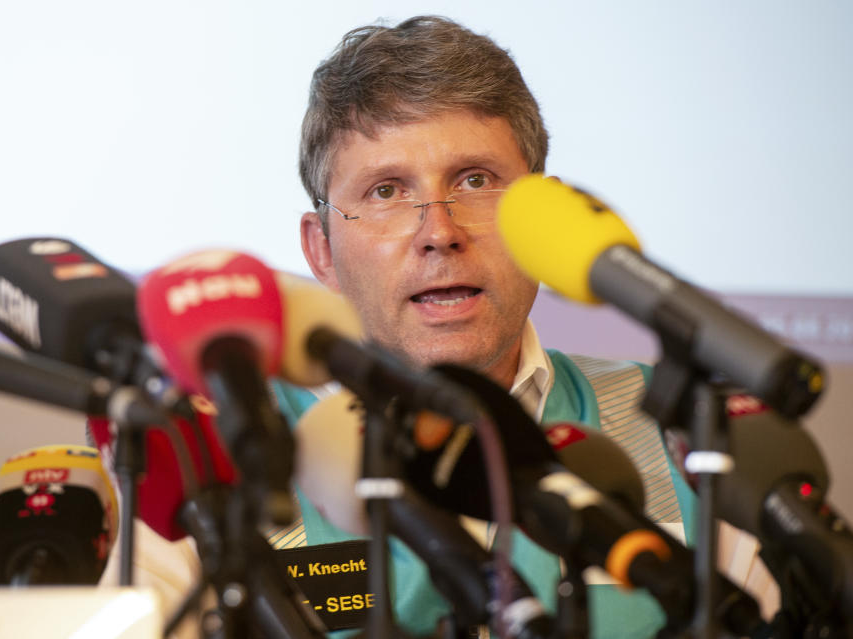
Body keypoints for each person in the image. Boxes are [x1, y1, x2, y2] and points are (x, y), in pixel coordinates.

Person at [282, 14, 697, 639]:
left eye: (476, 181)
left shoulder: (678, 429)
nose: (440, 233)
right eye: (387, 191)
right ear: (322, 252)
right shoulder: (218, 450)